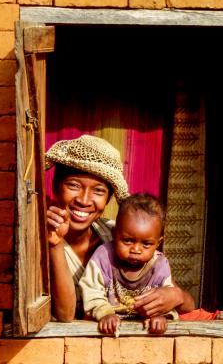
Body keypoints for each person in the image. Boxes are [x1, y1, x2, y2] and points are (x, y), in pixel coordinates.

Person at [45, 134, 195, 322]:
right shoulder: (42, 239)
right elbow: (65, 315)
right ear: (56, 187)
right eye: (73, 185)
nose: (84, 200)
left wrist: (175, 296)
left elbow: (189, 305)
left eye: (98, 190)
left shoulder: (120, 234)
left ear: (108, 199)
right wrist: (56, 245)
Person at [80, 193, 183, 335]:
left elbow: (167, 298)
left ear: (158, 243)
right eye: (128, 240)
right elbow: (91, 291)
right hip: (108, 331)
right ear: (115, 233)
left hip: (144, 333)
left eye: (146, 244)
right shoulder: (103, 256)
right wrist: (105, 314)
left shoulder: (159, 265)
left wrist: (161, 316)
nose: (136, 249)